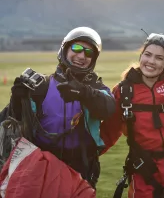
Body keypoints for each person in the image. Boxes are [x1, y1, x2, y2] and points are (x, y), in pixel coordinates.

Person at [1, 27, 115, 196]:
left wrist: (83, 92)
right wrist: (17, 101)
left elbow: (108, 108)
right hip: (40, 171)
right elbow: (10, 122)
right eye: (76, 49)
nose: (82, 56)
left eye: (88, 53)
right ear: (64, 49)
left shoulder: (97, 89)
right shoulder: (41, 87)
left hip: (80, 172)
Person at [100, 33, 164, 198]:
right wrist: (82, 156)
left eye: (159, 58)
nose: (151, 61)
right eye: (148, 55)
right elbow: (108, 132)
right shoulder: (124, 92)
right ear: (141, 55)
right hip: (145, 171)